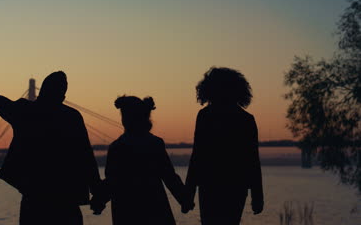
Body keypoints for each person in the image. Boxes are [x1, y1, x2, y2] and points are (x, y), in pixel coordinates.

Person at [0, 71, 101, 225]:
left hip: (34, 197)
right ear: (63, 94)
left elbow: (5, 105)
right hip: (66, 200)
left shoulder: (26, 110)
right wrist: (97, 192)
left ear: (42, 90)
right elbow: (86, 157)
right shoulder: (71, 117)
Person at [182, 67, 264, 224]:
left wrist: (189, 193)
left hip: (209, 184)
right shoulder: (246, 119)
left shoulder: (205, 116)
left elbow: (197, 156)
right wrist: (257, 197)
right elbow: (252, 160)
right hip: (236, 185)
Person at [91, 95, 187, 225]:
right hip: (155, 208)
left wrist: (99, 200)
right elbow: (169, 177)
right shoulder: (155, 144)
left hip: (126, 211)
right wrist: (184, 199)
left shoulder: (117, 147)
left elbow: (112, 181)